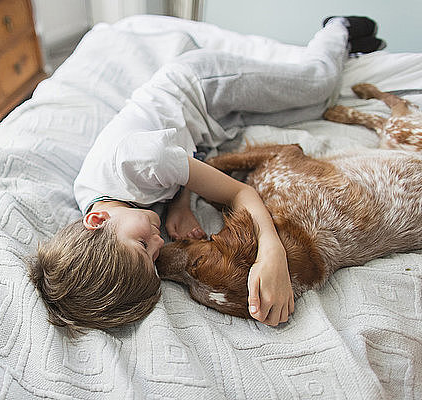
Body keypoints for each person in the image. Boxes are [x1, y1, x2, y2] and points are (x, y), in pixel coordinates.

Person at [30, 17, 382, 335]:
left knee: (318, 88)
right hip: (209, 130)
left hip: (203, 87)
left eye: (142, 245)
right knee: (310, 109)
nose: (158, 244)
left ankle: (339, 27)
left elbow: (239, 195)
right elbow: (185, 162)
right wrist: (181, 203)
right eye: (153, 256)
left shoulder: (138, 161)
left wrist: (270, 251)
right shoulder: (112, 208)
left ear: (96, 220)